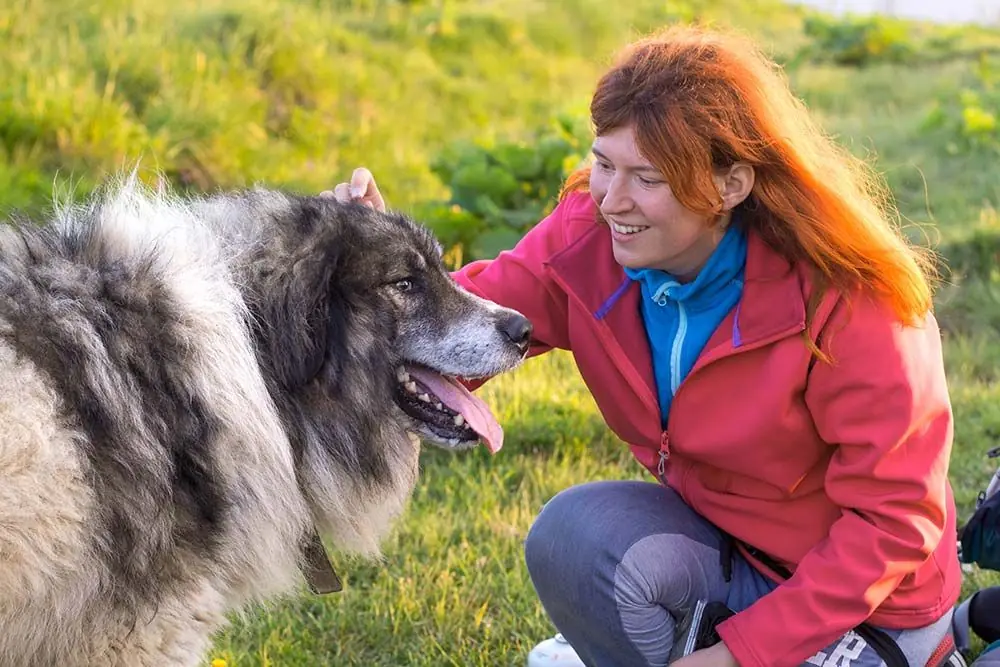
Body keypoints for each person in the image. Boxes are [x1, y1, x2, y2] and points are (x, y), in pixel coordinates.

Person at [328, 24, 971, 667]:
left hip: (872, 603)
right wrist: (378, 272)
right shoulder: (587, 235)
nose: (611, 199)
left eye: (648, 178)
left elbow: (892, 524)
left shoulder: (852, 299)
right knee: (573, 536)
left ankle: (944, 645)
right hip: (727, 550)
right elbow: (462, 334)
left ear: (730, 185)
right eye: (604, 163)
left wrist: (737, 656)